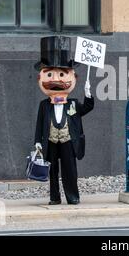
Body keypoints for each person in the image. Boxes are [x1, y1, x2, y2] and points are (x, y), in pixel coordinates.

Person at [34, 36, 94, 205]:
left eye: (62, 74)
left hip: (68, 141)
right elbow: (39, 124)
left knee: (70, 170)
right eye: (50, 74)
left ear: (73, 77)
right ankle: (54, 197)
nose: (57, 79)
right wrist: (38, 141)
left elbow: (87, 108)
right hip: (50, 141)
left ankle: (72, 196)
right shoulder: (44, 105)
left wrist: (88, 93)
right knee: (52, 170)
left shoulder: (73, 104)